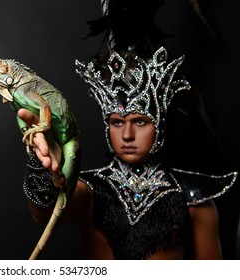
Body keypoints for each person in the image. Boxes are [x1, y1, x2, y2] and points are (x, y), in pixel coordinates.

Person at [18, 0, 238, 259]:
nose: (127, 135)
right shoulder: (90, 190)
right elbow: (42, 213)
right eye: (117, 122)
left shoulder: (192, 197)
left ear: (160, 124)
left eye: (140, 122)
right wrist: (43, 164)